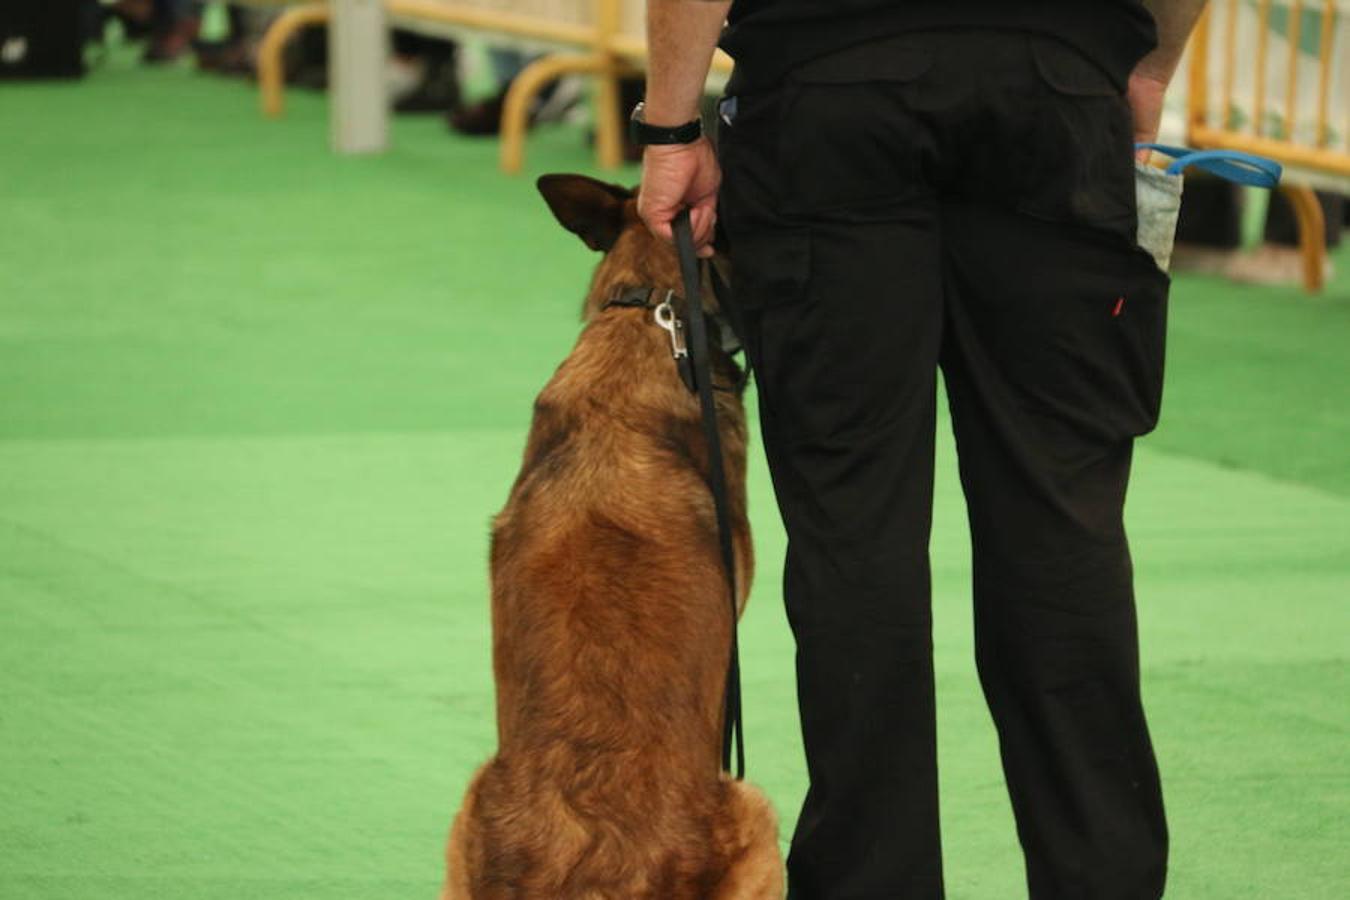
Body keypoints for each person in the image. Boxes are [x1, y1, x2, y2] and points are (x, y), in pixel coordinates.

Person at [635, 1, 1209, 897]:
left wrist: (671, 124)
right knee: (1061, 517)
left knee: (853, 526)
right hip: (1056, 81)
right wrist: (1146, 69)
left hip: (826, 90)